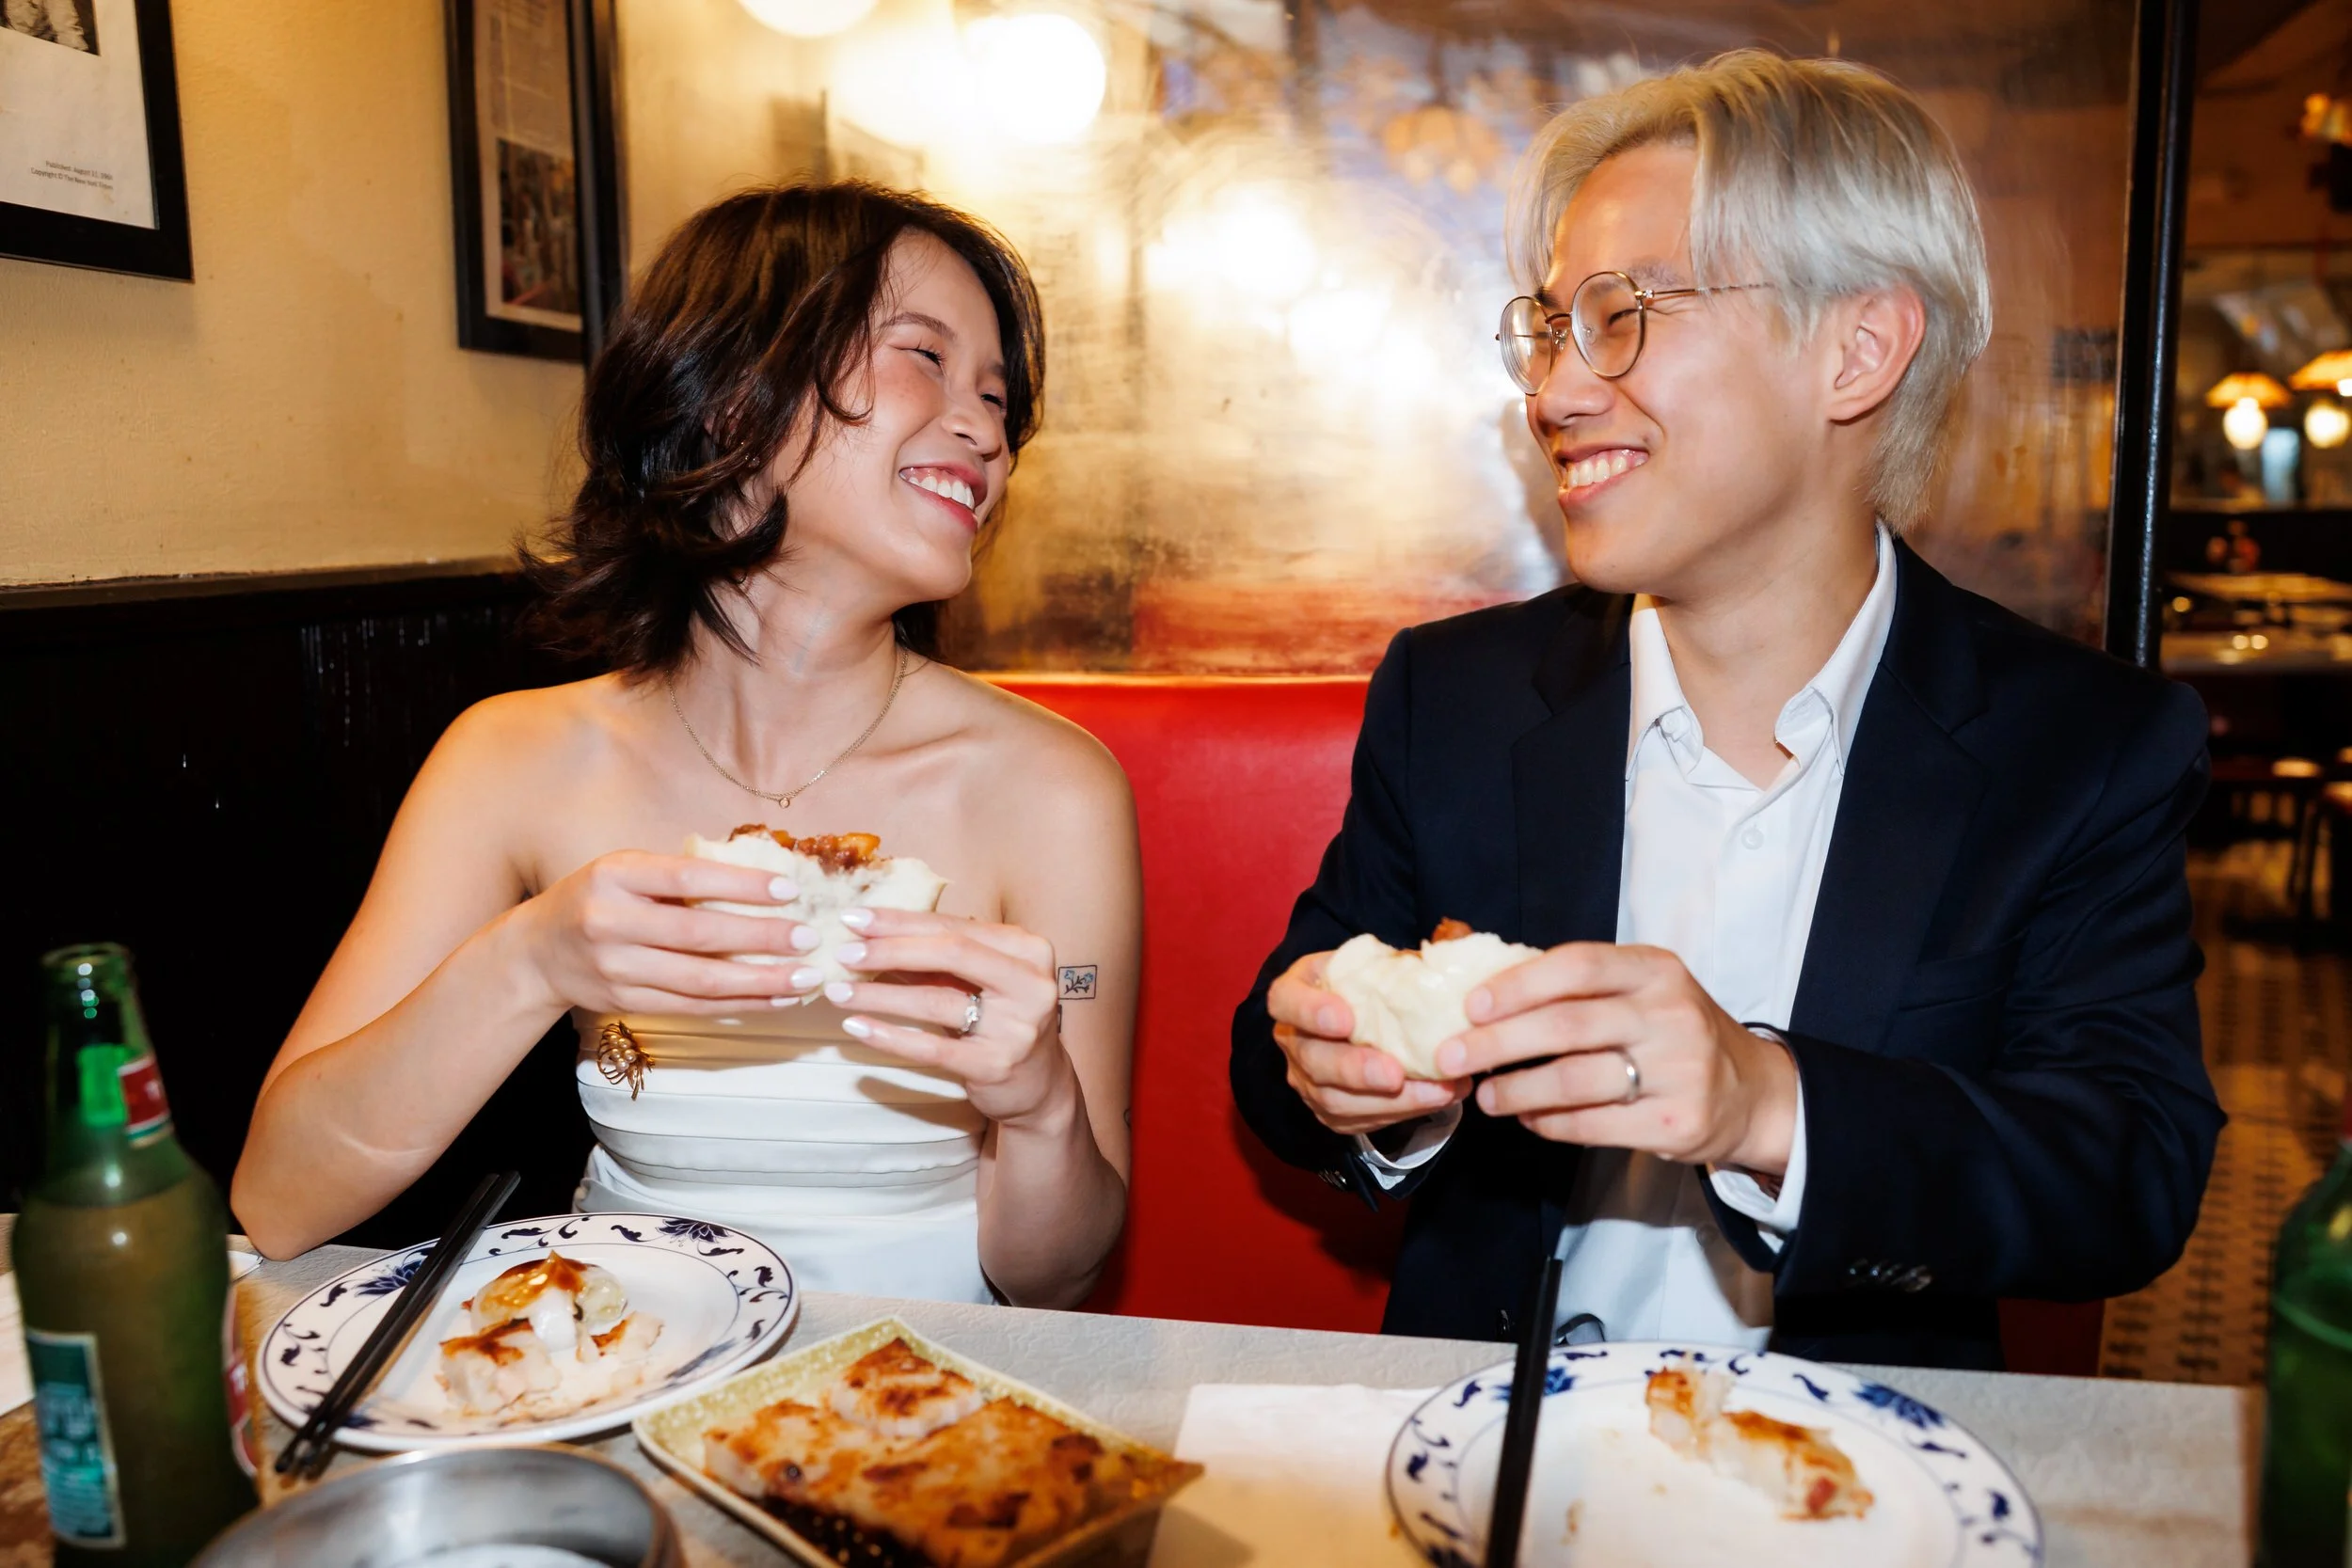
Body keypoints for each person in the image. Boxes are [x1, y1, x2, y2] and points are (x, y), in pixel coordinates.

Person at [1231, 51, 2223, 1369]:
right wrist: (1355, 1078)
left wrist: (1766, 1100)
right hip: (1487, 1437)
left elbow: (2127, 1172)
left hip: (1847, 1454)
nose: (1552, 392)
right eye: (1550, 326)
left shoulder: (2079, 744)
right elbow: (1274, 1055)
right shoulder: (1456, 695)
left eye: (1623, 312)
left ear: (1856, 352)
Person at [232, 183, 1139, 1307]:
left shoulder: (1051, 786)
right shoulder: (514, 758)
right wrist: (533, 960)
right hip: (612, 1353)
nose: (987, 433)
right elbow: (280, 1198)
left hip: (926, 1377)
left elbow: (1057, 1279)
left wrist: (1041, 1104)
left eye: (997, 398)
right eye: (925, 356)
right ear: (733, 398)